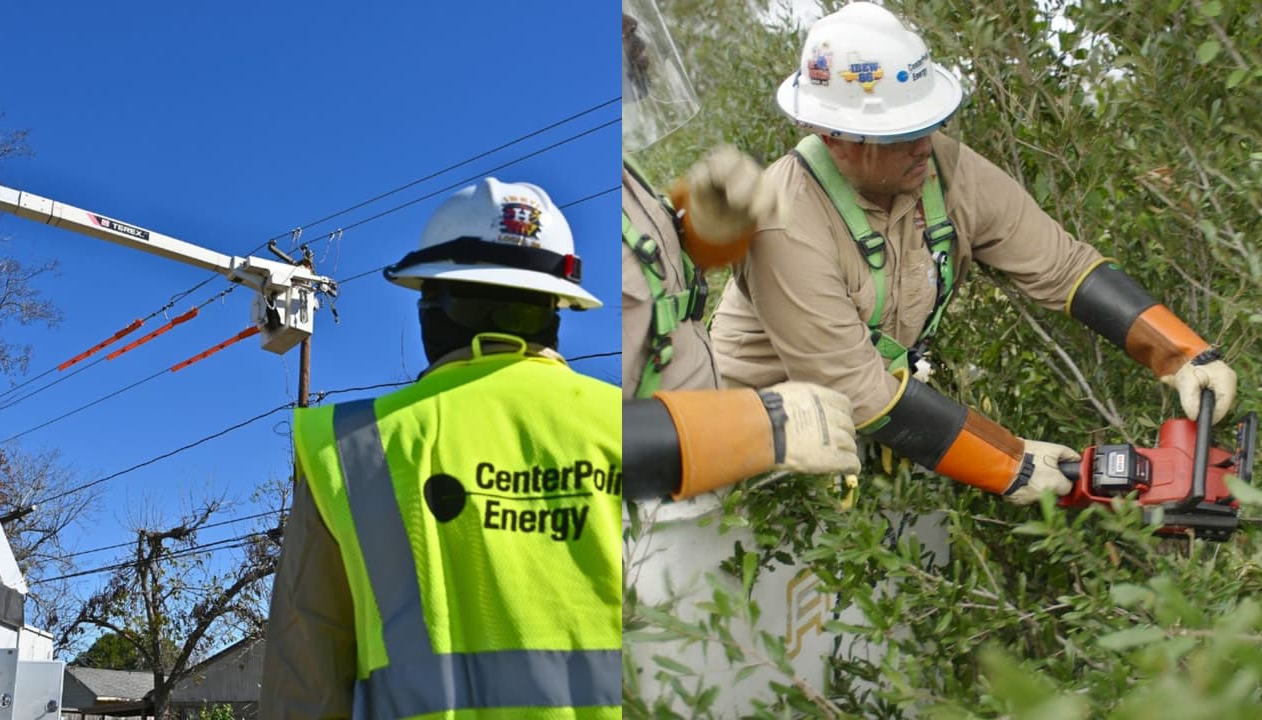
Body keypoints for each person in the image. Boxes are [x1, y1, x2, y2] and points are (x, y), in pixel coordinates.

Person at [710, 1, 1238, 504]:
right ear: (833, 136)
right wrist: (1011, 461)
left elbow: (1063, 266)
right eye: (898, 135)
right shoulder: (781, 220)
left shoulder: (940, 168)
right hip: (753, 450)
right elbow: (855, 389)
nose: (924, 144)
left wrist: (1182, 352)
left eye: (927, 124)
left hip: (872, 426)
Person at [260, 178, 621, 718]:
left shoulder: (353, 448)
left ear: (434, 306)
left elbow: (303, 691)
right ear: (557, 307)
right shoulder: (637, 427)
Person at [621, 0, 860, 500]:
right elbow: (555, 431)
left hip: (685, 495)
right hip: (627, 529)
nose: (635, 28)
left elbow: (651, 286)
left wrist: (706, 226)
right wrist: (754, 426)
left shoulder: (614, 175)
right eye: (615, 21)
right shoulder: (532, 205)